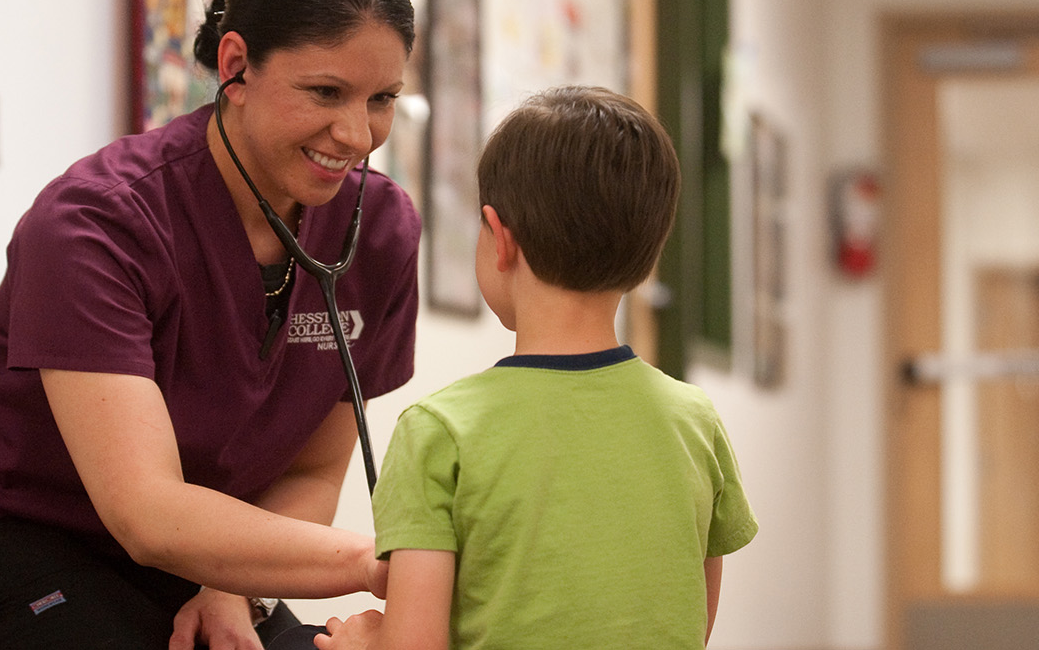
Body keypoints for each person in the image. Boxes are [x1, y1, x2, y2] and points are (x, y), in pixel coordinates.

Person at [0, 0, 420, 650]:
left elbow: (313, 467)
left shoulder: (380, 232)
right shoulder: (96, 222)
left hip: (176, 546)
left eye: (382, 98)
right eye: (325, 91)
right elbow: (148, 513)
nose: (357, 134)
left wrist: (234, 585)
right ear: (236, 66)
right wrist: (377, 565)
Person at [315, 86, 758, 650]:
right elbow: (690, 626)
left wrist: (366, 643)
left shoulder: (440, 430)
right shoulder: (694, 421)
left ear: (500, 239)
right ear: (649, 253)